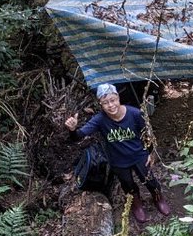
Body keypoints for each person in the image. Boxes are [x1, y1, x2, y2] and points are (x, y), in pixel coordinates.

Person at [65, 83, 169, 224]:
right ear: (100, 104)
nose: (111, 105)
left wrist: (151, 153)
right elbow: (79, 136)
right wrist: (72, 129)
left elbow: (147, 134)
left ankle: (158, 198)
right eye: (105, 103)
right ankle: (136, 204)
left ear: (118, 98)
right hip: (118, 160)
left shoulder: (135, 114)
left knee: (150, 180)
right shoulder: (100, 119)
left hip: (139, 155)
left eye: (113, 100)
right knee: (128, 185)